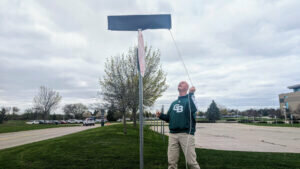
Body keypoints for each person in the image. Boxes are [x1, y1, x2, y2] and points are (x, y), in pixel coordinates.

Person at [156, 81, 200, 169]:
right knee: (171, 162)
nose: (180, 83)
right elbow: (168, 118)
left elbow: (194, 108)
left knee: (191, 163)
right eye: (179, 83)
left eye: (183, 83)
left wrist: (191, 94)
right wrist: (161, 116)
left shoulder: (190, 100)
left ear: (187, 87)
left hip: (186, 134)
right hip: (172, 134)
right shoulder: (173, 103)